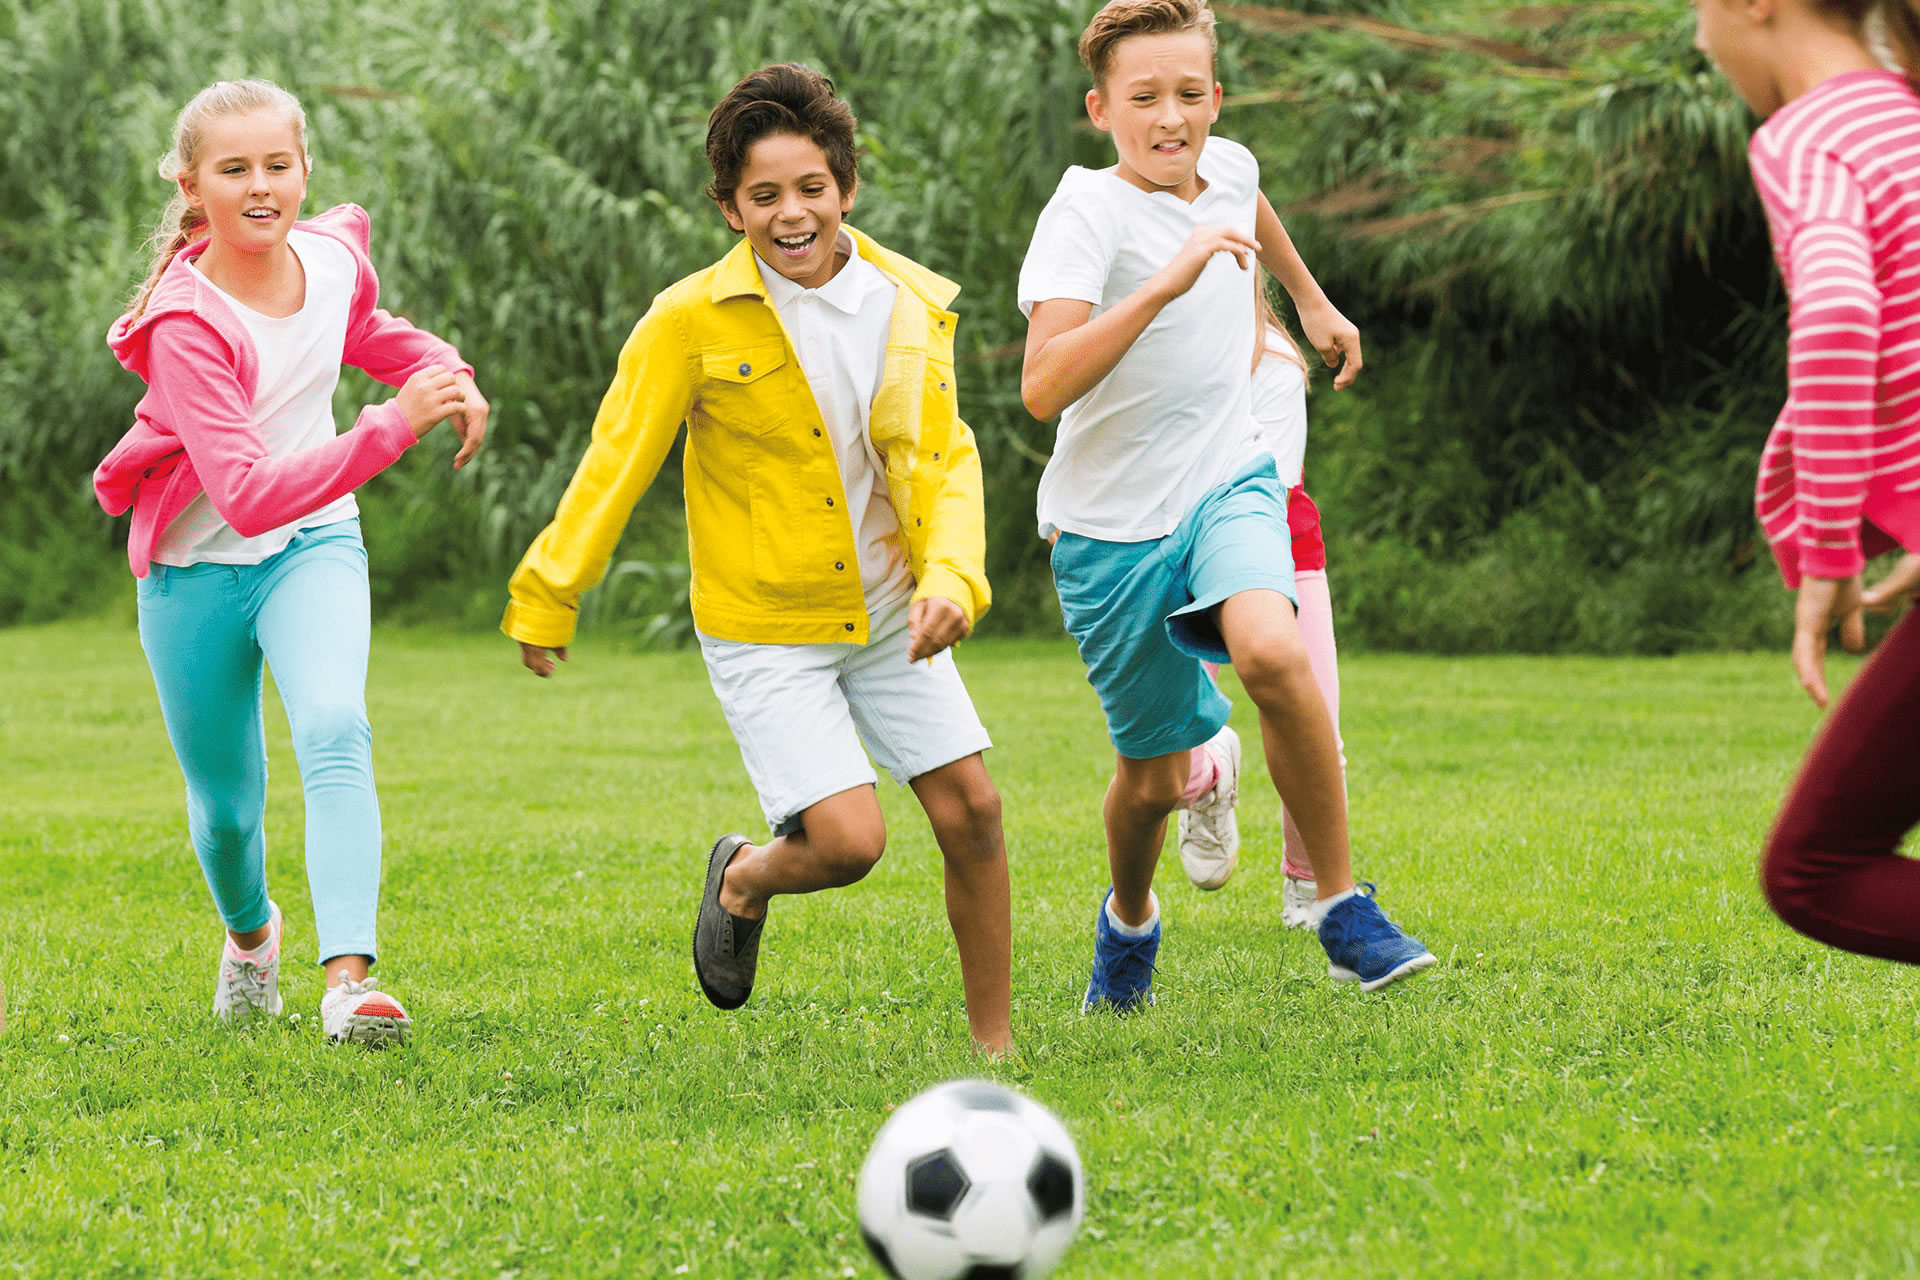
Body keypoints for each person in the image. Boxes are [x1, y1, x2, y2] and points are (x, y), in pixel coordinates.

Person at [503, 64, 1013, 1052]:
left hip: (890, 607)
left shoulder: (908, 302)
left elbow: (948, 458)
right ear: (730, 205)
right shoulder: (689, 320)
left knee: (976, 810)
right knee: (849, 843)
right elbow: (618, 459)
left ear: (846, 188)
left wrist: (952, 577)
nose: (793, 213)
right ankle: (744, 874)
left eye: (811, 188)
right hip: (764, 623)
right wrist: (548, 595)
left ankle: (996, 1047)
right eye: (765, 195)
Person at [1020, 0, 1435, 1012]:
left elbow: (1249, 211)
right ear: (1101, 109)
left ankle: (1340, 907)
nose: (1172, 118)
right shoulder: (1087, 213)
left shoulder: (1231, 168)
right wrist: (1160, 287)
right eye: (1146, 99)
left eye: (1191, 95)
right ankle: (1129, 920)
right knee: (1154, 780)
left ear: (1218, 98)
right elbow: (1042, 386)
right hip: (1110, 528)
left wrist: (1312, 300)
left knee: (1273, 652)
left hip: (1226, 479)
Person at [94, 78, 488, 1045]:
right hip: (196, 570)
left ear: (305, 169)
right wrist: (393, 428)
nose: (261, 186)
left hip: (312, 545)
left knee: (333, 722)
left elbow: (366, 336)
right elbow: (246, 491)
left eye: (279, 165)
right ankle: (251, 939)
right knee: (228, 812)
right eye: (235, 170)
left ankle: (350, 984)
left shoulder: (331, 256)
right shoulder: (185, 324)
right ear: (194, 186)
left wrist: (447, 373)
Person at [1692, 0, 1920, 960]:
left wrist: (1827, 542)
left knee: (1817, 869)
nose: (1700, 37)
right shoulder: (1902, 116)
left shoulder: (1811, 133)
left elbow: (1835, 315)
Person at [1177, 278, 1347, 936]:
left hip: (1275, 544)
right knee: (1164, 744)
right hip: (1172, 549)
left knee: (1316, 735)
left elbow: (1261, 493)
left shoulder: (1271, 359)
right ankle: (1209, 771)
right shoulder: (1158, 356)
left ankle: (1309, 885)